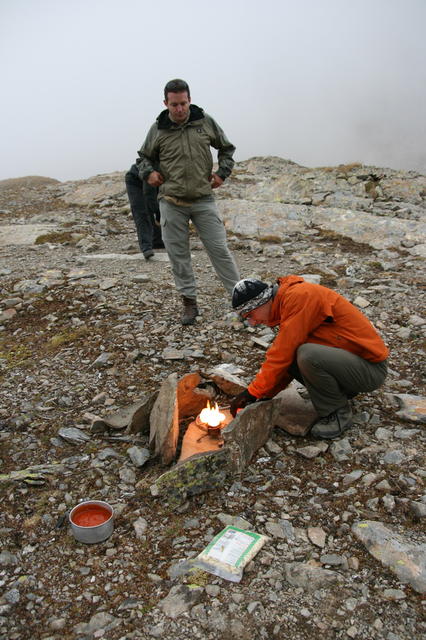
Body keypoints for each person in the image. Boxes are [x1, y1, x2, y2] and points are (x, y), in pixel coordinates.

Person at [229, 276, 389, 439]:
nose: (253, 322)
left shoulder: (299, 297)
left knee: (307, 355)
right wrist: (262, 396)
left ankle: (338, 413)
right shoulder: (286, 304)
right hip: (350, 366)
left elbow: (281, 354)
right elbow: (285, 359)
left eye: (250, 315)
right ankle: (340, 392)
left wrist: (252, 392)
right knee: (296, 353)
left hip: (370, 370)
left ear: (262, 302)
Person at [136, 78, 240, 325]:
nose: (180, 109)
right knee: (179, 256)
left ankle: (241, 299)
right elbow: (143, 158)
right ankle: (190, 304)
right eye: (174, 105)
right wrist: (149, 173)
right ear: (166, 103)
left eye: (183, 103)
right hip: (171, 202)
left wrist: (221, 174)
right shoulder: (158, 129)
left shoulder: (205, 122)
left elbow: (227, 148)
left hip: (203, 199)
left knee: (219, 250)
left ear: (189, 100)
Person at [125, 164, 164, 260]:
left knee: (160, 207)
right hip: (135, 181)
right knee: (142, 211)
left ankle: (157, 241)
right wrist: (159, 215)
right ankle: (146, 247)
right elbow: (149, 196)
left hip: (155, 181)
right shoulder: (155, 169)